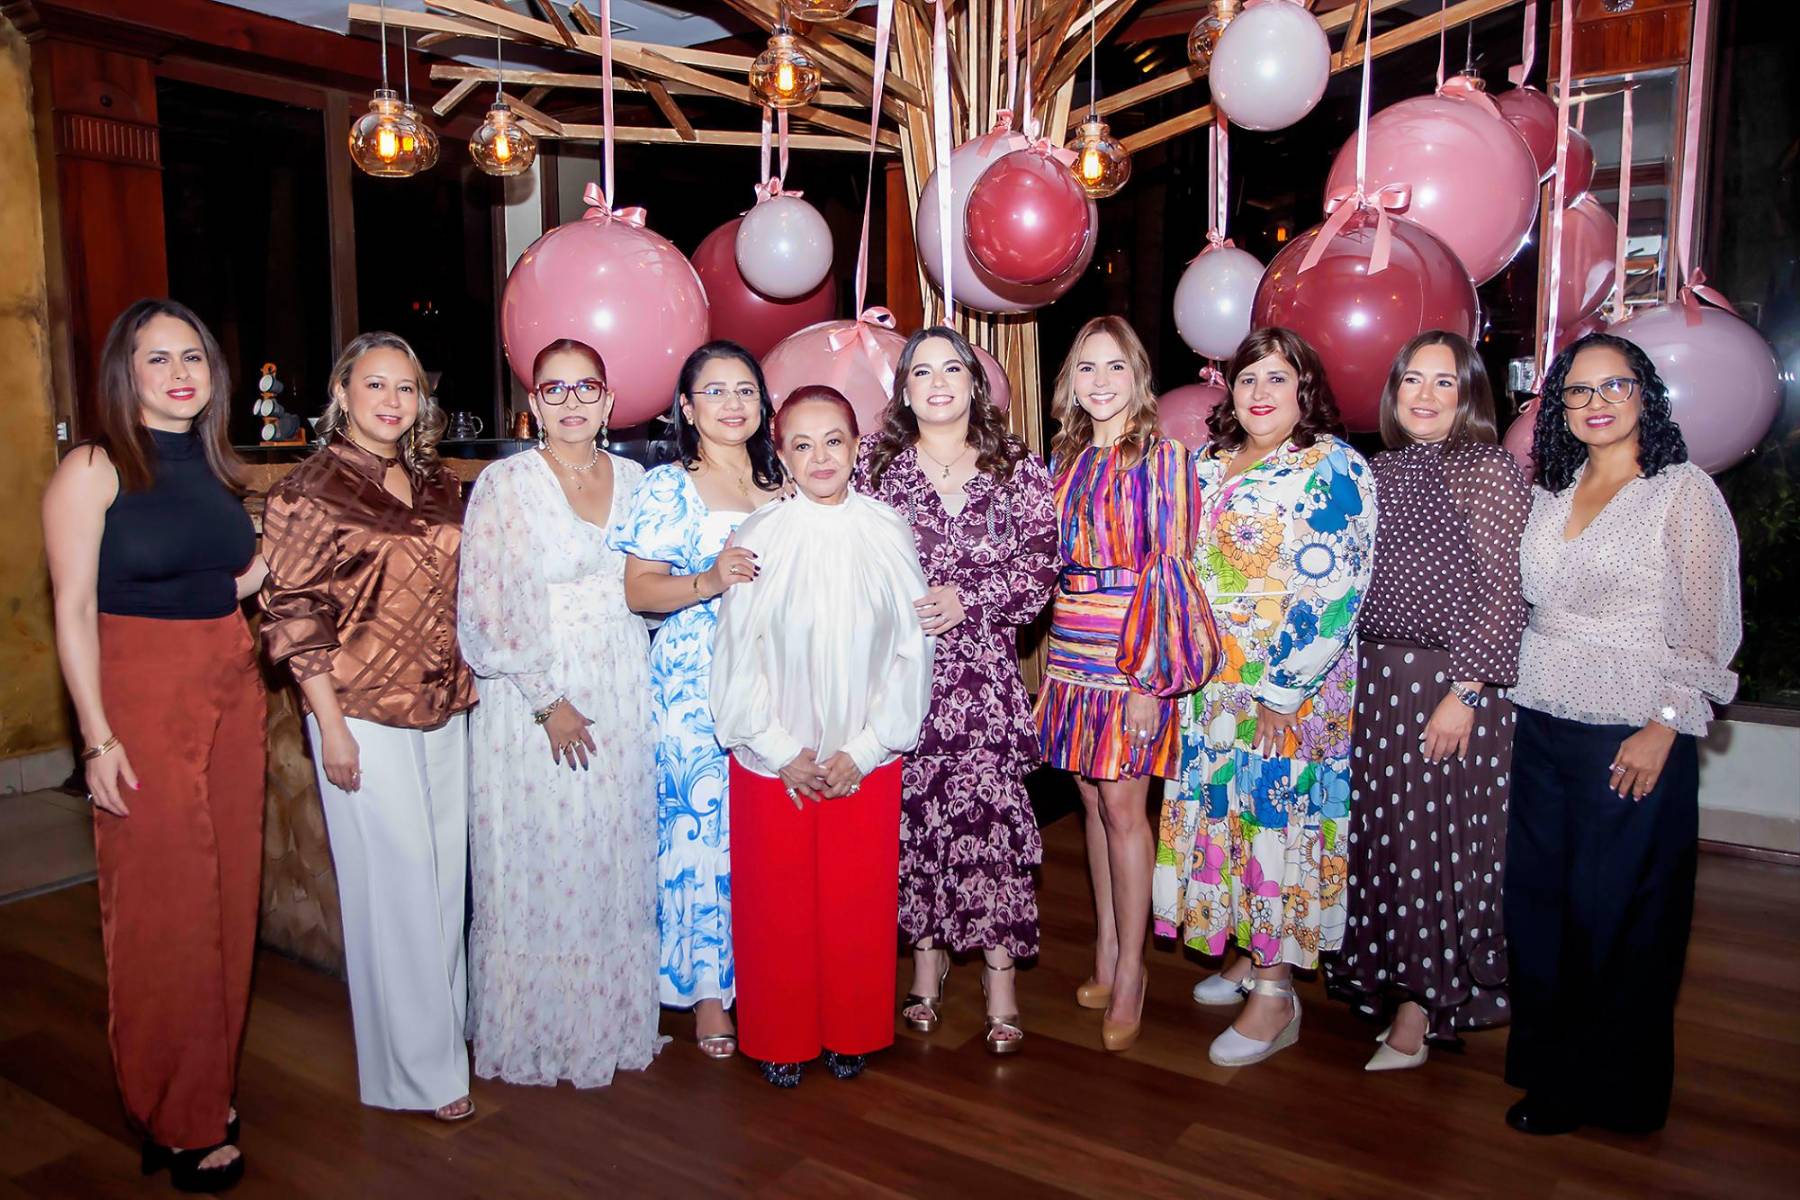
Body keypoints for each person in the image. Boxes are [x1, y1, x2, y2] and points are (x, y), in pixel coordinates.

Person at [42, 299, 264, 1192]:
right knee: (163, 909)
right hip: (139, 689)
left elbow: (231, 578)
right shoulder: (94, 467)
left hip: (229, 683)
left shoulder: (218, 468)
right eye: (158, 358)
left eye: (194, 358)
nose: (179, 372)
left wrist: (269, 568)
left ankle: (202, 1086)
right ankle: (174, 1110)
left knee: (228, 899)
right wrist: (96, 739)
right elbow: (70, 610)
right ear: (124, 375)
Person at [1501, 333, 1740, 1136]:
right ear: (1559, 406)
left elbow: (1707, 632)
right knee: (1540, 910)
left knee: (1621, 919)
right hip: (1537, 721)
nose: (1596, 402)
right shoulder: (1549, 490)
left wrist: (1665, 726)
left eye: (1615, 386)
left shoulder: (1682, 493)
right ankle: (1555, 1076)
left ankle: (1623, 1091)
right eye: (1578, 390)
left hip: (1630, 733)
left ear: (1646, 397)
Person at [260, 331, 478, 1121]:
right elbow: (292, 616)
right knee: (395, 893)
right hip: (356, 712)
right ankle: (420, 1076)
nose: (392, 401)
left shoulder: (433, 481)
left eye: (407, 388)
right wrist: (331, 730)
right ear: (342, 393)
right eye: (376, 385)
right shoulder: (308, 490)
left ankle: (437, 1048)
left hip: (445, 704)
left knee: (442, 885)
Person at [1153, 326, 1377, 1067]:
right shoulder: (1209, 464)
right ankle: (1251, 949)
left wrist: (1283, 690)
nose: (1259, 393)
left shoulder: (1331, 464)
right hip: (1212, 686)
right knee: (1231, 817)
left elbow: (1338, 584)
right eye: (1249, 378)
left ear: (1304, 388)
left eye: (1278, 379)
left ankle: (1276, 995)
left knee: (1277, 821)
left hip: (1289, 689)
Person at [711, 385, 934, 1087]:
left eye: (832, 440)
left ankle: (852, 1029)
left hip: (861, 755)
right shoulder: (758, 538)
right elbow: (737, 653)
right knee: (777, 902)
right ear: (779, 455)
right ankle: (780, 1037)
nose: (819, 457)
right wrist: (779, 750)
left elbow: (911, 649)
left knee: (854, 900)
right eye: (801, 444)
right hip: (778, 755)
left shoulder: (887, 529)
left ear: (856, 447)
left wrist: (866, 749)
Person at [459, 338, 661, 1087]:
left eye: (586, 388)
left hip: (622, 679)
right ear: (533, 403)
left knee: (611, 850)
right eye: (555, 389)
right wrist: (548, 703)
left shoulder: (641, 480)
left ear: (609, 401)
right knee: (549, 854)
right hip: (535, 693)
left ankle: (608, 1023)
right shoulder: (505, 485)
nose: (572, 401)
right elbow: (485, 608)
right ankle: (543, 1034)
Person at [1325, 332, 1529, 1071]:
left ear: (1471, 394)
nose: (1425, 395)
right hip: (1374, 684)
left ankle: (1424, 1005)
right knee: (1380, 841)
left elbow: (1506, 591)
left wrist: (1466, 690)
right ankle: (1386, 981)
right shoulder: (1377, 469)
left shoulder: (1487, 468)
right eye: (1413, 379)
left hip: (1447, 686)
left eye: (1445, 383)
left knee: (1429, 847)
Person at [855, 327, 1058, 1055]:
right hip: (898, 679)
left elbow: (1040, 569)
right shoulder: (872, 469)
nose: (937, 381)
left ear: (975, 382)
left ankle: (1000, 983)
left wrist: (971, 599)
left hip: (984, 678)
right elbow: (845, 566)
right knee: (915, 824)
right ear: (904, 390)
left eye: (951, 368)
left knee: (990, 829)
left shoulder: (1017, 467)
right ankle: (926, 966)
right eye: (920, 371)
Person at [1033, 316, 1215, 1053]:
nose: (1100, 382)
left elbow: (1171, 567)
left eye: (1114, 368)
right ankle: (1106, 950)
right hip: (1072, 642)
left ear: (1138, 377)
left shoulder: (1164, 456)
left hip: (1132, 644)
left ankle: (1134, 971)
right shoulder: (1065, 457)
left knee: (1123, 805)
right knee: (1086, 795)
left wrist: (1149, 679)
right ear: (1070, 381)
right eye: (1085, 368)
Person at [614, 341, 785, 1057]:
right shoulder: (668, 487)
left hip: (778, 680)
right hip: (694, 682)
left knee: (763, 836)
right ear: (686, 408)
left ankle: (768, 977)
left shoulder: (787, 486)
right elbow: (638, 589)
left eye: (744, 389)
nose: (732, 403)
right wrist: (710, 581)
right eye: (713, 392)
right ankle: (707, 995)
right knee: (699, 838)